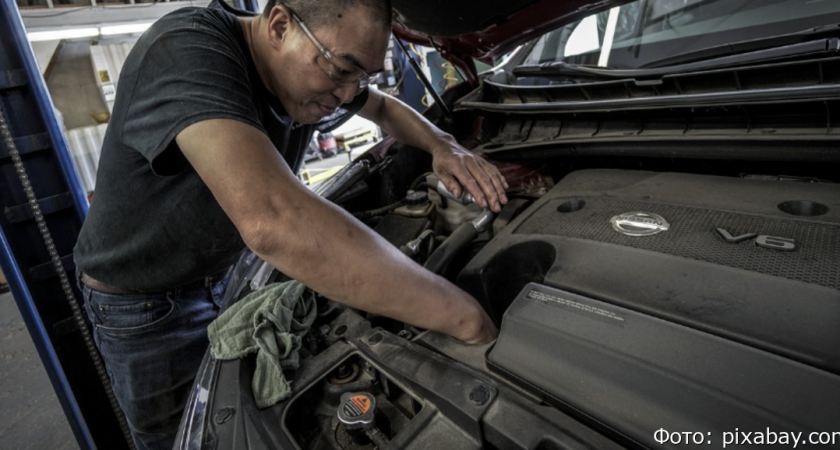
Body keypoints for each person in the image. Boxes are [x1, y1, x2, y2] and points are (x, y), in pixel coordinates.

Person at [73, 0, 507, 448]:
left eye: (362, 76)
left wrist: (442, 144)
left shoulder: (314, 67)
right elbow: (272, 221)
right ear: (280, 25)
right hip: (145, 307)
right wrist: (464, 318)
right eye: (342, 71)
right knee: (185, 440)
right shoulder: (185, 50)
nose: (347, 93)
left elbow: (382, 108)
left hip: (230, 275)